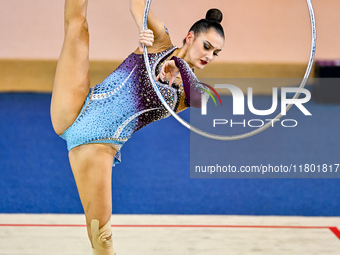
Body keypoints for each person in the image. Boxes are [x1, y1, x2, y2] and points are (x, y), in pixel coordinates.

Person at [50, 0, 225, 254]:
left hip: (100, 144)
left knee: (102, 236)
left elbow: (204, 100)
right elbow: (137, 5)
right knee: (78, 27)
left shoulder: (188, 92)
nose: (209, 56)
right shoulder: (160, 42)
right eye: (207, 46)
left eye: (215, 53)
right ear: (190, 37)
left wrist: (181, 67)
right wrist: (142, 30)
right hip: (76, 107)